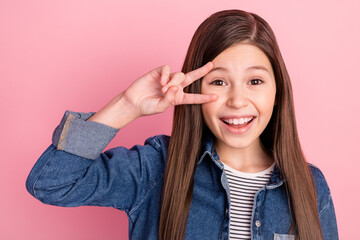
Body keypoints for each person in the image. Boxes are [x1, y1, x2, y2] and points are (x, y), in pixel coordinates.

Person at [26, 9, 339, 240]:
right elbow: (51, 183)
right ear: (196, 89)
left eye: (255, 81)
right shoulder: (157, 168)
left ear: (277, 91)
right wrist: (126, 105)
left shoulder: (310, 186)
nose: (237, 100)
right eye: (218, 82)